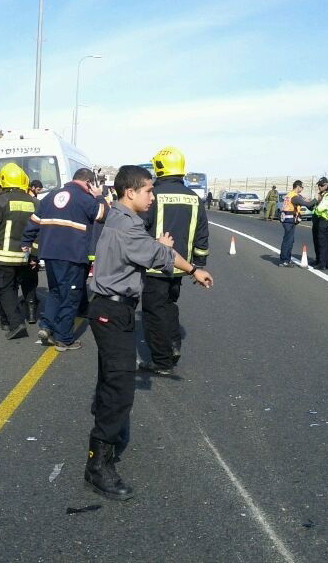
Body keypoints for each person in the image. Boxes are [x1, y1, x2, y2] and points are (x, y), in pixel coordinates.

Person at [84, 165, 214, 500]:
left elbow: (146, 249)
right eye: (148, 191)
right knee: (120, 387)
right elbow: (160, 254)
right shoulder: (128, 227)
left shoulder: (120, 217)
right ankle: (98, 465)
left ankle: (106, 421)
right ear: (130, 192)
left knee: (111, 377)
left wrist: (156, 245)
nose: (152, 197)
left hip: (112, 308)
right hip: (112, 311)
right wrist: (194, 269)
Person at [21, 167, 108, 351]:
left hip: (50, 253)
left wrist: (26, 241)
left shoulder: (51, 196)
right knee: (70, 296)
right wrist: (99, 196)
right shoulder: (84, 198)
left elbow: (34, 221)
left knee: (56, 291)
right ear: (88, 183)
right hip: (72, 255)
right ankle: (64, 339)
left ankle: (46, 326)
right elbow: (103, 215)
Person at [140, 146, 209, 374]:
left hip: (155, 266)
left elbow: (141, 229)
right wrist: (198, 266)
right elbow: (202, 234)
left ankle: (162, 361)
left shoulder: (153, 195)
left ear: (159, 167)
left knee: (153, 312)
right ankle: (173, 343)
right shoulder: (194, 198)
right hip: (182, 266)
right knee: (169, 305)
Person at [0, 163, 38, 339]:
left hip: (2, 256)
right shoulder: (35, 202)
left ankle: (16, 323)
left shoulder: (0, 201)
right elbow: (39, 232)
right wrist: (35, 255)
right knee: (15, 287)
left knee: (5, 290)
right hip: (25, 256)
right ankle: (5, 321)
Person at [278, 180, 318, 267]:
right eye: (302, 187)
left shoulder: (291, 195)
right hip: (289, 220)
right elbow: (307, 204)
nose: (302, 189)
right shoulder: (294, 197)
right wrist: (316, 199)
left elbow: (304, 202)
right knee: (288, 240)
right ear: (298, 187)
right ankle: (284, 260)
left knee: (290, 240)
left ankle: (287, 259)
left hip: (288, 220)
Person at [311, 177, 328, 266]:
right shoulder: (319, 194)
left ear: (326, 185)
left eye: (321, 185)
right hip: (316, 220)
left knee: (322, 243)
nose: (319, 187)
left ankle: (323, 261)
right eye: (318, 185)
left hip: (323, 221)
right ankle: (318, 259)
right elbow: (313, 206)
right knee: (316, 241)